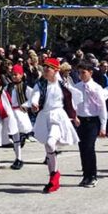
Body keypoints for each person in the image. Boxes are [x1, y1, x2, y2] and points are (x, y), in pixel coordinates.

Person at [25, 57, 80, 193]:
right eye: (44, 67)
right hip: (44, 117)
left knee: (50, 144)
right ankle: (52, 178)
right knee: (47, 148)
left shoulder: (62, 85)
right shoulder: (41, 84)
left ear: (55, 70)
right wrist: (34, 103)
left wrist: (74, 116)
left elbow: (69, 101)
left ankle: (55, 175)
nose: (45, 70)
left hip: (57, 117)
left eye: (48, 68)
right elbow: (35, 95)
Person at [74, 60, 108, 188]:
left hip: (92, 121)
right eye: (79, 73)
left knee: (89, 147)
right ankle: (85, 175)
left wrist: (103, 127)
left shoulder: (96, 88)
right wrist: (74, 117)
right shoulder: (77, 87)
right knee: (82, 149)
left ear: (90, 73)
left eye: (83, 72)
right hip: (80, 121)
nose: (81, 75)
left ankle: (93, 175)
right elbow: (74, 104)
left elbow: (102, 108)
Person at [4, 64, 32, 170]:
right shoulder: (8, 87)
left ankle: (24, 136)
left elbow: (32, 98)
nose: (14, 77)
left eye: (16, 74)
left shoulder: (25, 87)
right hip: (11, 113)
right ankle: (18, 158)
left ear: (21, 75)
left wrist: (25, 105)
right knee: (15, 136)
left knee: (23, 130)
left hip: (21, 113)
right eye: (13, 75)